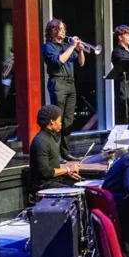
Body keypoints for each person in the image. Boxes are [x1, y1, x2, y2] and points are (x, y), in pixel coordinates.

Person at [42, 19, 85, 161]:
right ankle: (56, 154)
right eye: (60, 29)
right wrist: (72, 47)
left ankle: (65, 152)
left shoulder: (67, 46)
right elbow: (59, 60)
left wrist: (80, 51)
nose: (63, 31)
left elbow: (81, 63)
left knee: (68, 120)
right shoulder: (48, 47)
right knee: (57, 120)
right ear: (53, 31)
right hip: (58, 83)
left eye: (64, 29)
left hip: (70, 83)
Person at [28, 104, 82, 196]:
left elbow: (53, 166)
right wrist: (68, 169)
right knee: (74, 191)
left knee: (80, 183)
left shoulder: (50, 138)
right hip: (43, 185)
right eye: (59, 120)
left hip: (53, 180)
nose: (61, 123)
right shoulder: (41, 141)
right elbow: (45, 172)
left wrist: (68, 173)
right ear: (52, 121)